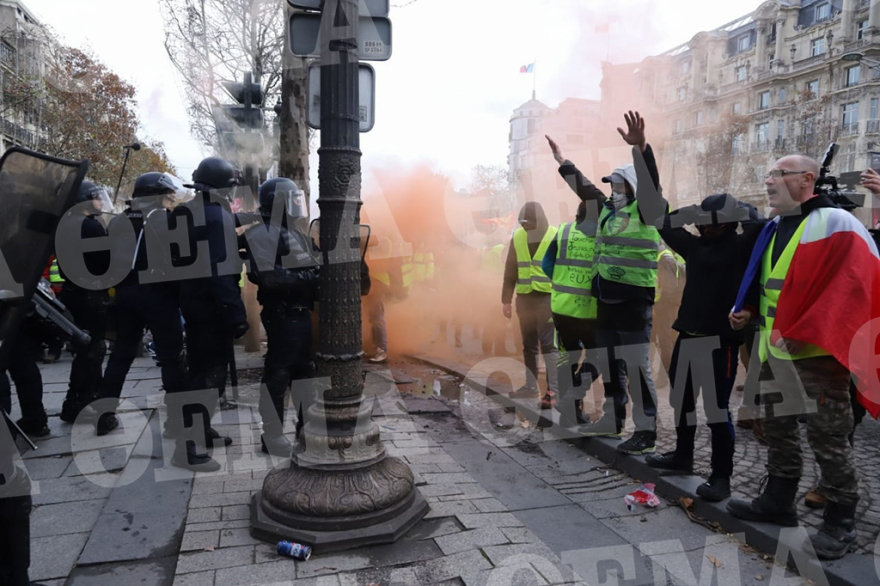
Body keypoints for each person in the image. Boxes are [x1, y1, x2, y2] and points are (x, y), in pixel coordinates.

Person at [727, 155, 880, 560]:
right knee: (776, 430)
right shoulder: (776, 227)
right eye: (769, 173)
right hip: (775, 349)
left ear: (806, 179)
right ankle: (777, 501)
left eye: (778, 174)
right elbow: (773, 284)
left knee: (828, 439)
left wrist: (807, 328)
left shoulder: (836, 222)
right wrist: (749, 309)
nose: (769, 180)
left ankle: (841, 521)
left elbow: (853, 287)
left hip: (818, 356)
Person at [548, 111, 667, 454]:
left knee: (635, 366)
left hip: (633, 303)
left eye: (617, 185)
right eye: (610, 186)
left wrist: (642, 147)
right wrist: (563, 162)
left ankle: (645, 432)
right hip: (606, 302)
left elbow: (651, 185)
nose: (611, 191)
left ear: (631, 187)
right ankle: (613, 422)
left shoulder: (646, 209)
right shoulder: (604, 210)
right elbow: (584, 187)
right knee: (611, 365)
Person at [642, 192, 762, 502]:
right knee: (682, 401)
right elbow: (664, 222)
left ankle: (721, 477)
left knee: (716, 410)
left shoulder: (739, 247)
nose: (705, 228)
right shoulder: (694, 246)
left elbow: (758, 222)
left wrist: (736, 209)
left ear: (727, 223)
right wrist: (698, 210)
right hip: (687, 335)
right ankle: (683, 456)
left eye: (712, 223)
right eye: (702, 223)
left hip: (719, 341)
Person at [92, 173, 215, 467]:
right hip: (158, 296)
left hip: (125, 294)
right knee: (172, 360)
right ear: (155, 195)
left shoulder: (120, 220)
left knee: (121, 355)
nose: (171, 199)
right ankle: (178, 426)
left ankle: (103, 415)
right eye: (167, 195)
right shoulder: (164, 220)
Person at [174, 157, 248, 457]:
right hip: (213, 307)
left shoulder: (185, 211)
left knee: (200, 369)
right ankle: (188, 443)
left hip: (192, 302)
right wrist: (236, 313)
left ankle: (201, 429)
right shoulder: (218, 217)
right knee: (209, 375)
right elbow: (220, 268)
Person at [240, 177, 319, 456]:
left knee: (304, 373)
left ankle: (306, 429)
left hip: (300, 312)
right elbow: (268, 278)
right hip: (282, 312)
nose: (298, 204)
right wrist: (312, 276)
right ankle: (272, 436)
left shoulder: (293, 232)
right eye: (293, 199)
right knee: (278, 373)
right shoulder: (261, 233)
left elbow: (315, 262)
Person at [58, 181, 112, 423]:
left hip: (73, 292)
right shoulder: (89, 226)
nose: (101, 202)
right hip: (91, 295)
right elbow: (105, 262)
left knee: (84, 350)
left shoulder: (66, 224)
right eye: (97, 197)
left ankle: (79, 401)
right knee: (92, 351)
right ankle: (80, 403)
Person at [541, 200, 598, 424]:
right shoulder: (604, 236)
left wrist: (561, 281)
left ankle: (569, 412)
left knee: (567, 358)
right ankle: (574, 396)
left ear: (578, 214)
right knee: (599, 357)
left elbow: (546, 264)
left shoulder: (564, 231)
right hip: (591, 312)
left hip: (562, 309)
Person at [501, 202, 559, 401]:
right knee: (528, 345)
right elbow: (510, 269)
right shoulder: (517, 237)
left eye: (529, 223)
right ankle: (530, 386)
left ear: (539, 221)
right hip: (525, 299)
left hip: (548, 298)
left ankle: (553, 390)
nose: (526, 227)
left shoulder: (555, 235)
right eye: (523, 223)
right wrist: (506, 300)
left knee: (549, 345)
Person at [652, 245, 685, 387]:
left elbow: (669, 288)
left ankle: (666, 377)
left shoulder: (665, 259)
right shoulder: (662, 257)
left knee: (666, 342)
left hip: (665, 307)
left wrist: (658, 307)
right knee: (659, 340)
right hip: (662, 306)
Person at [364, 233, 392, 363]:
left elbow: (373, 243)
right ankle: (376, 348)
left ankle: (382, 350)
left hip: (379, 281)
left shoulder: (383, 240)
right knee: (373, 316)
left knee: (377, 316)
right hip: (373, 281)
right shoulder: (380, 239)